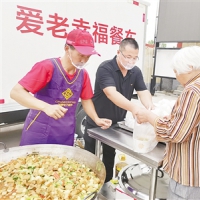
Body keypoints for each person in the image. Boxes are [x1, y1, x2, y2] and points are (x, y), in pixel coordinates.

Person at [10, 29, 112, 146]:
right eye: (80, 55)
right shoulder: (47, 67)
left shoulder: (83, 74)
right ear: (67, 49)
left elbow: (86, 100)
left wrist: (96, 119)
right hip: (39, 131)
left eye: (88, 56)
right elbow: (16, 92)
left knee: (63, 163)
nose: (84, 60)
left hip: (65, 133)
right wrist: (46, 107)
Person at [84, 38, 154, 183]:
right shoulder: (106, 68)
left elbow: (143, 91)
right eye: (128, 57)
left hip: (115, 125)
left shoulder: (135, 72)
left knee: (109, 158)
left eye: (135, 58)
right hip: (97, 121)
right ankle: (87, 186)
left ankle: (106, 185)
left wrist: (149, 107)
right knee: (90, 159)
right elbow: (111, 94)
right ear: (118, 52)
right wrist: (135, 108)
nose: (131, 61)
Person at [135, 46, 200, 200]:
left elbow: (175, 133)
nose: (176, 76)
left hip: (188, 174)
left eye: (177, 71)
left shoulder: (193, 90)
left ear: (190, 67)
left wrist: (150, 117)